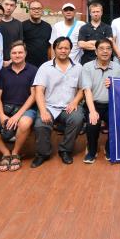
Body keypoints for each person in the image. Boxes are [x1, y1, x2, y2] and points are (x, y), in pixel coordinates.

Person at [0, 41, 38, 173]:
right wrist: (2, 116)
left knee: (25, 122)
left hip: (26, 109)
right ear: (10, 55)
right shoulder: (3, 73)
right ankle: (6, 153)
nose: (17, 55)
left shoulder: (33, 70)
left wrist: (17, 116)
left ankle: (15, 153)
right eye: (14, 53)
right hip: (5, 108)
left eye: (20, 52)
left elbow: (33, 96)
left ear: (25, 54)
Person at [32, 37, 85, 167]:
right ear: (54, 49)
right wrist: (43, 111)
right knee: (40, 124)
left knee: (77, 118)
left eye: (66, 48)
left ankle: (65, 150)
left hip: (68, 107)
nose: (63, 51)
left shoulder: (78, 67)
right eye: (60, 48)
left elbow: (82, 89)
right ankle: (43, 153)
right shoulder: (45, 67)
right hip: (49, 106)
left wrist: (75, 102)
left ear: (70, 50)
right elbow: (39, 91)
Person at [81, 38, 120, 163]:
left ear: (111, 51)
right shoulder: (87, 67)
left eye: (108, 49)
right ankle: (92, 150)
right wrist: (92, 111)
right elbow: (87, 90)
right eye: (101, 49)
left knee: (118, 121)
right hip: (93, 104)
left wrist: (115, 85)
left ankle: (109, 148)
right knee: (92, 123)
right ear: (96, 51)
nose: (105, 51)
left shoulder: (117, 68)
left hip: (111, 104)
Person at [22, 0, 52, 68]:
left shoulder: (47, 26)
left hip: (44, 65)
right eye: (33, 9)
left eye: (39, 8)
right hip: (27, 65)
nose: (36, 11)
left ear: (42, 10)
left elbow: (50, 46)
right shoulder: (22, 26)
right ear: (29, 10)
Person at [0, 0, 23, 68]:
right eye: (6, 4)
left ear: (15, 7)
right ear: (1, 4)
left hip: (13, 63)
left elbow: (20, 45)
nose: (8, 8)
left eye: (12, 5)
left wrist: (11, 61)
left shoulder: (18, 24)